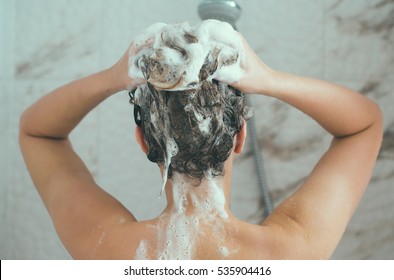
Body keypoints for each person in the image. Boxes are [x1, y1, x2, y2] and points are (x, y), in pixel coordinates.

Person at [19, 20, 383, 260]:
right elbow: (364, 124)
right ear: (241, 137)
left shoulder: (107, 248)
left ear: (143, 141)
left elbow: (38, 133)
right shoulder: (291, 250)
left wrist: (117, 76)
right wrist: (267, 78)